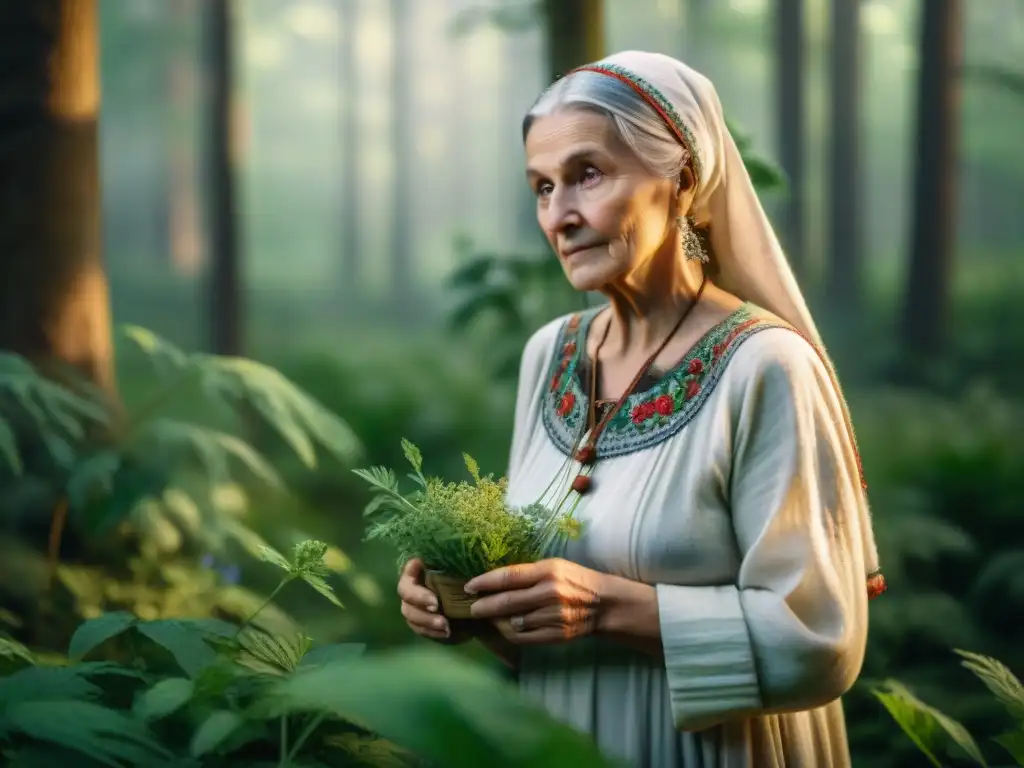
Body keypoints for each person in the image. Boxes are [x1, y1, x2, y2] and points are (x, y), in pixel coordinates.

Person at [397, 50, 885, 767]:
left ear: (682, 182)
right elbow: (548, 614)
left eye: (586, 175)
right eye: (541, 187)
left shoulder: (764, 367)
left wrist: (604, 606)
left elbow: (820, 644)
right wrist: (474, 607)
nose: (559, 216)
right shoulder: (549, 356)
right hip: (563, 741)